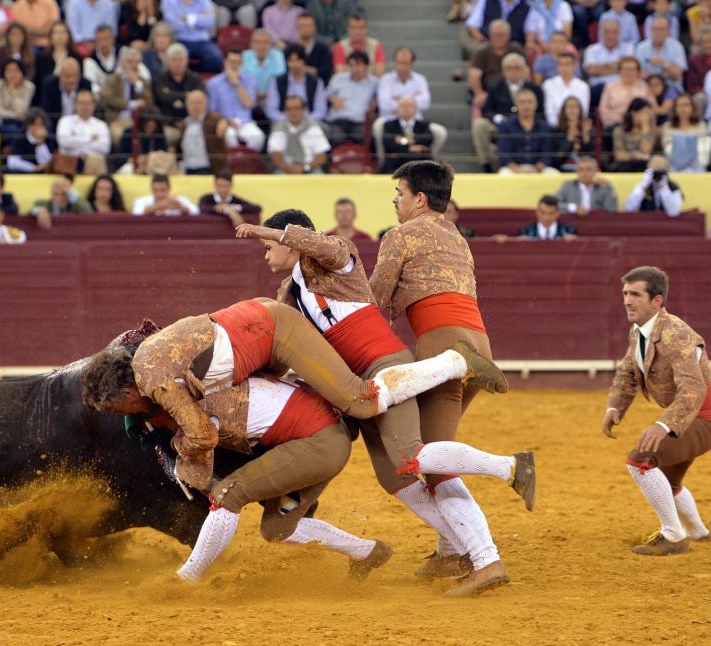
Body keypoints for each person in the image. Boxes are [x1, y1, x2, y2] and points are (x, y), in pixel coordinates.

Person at [236, 209, 533, 576]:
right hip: (351, 389)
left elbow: (324, 245)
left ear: (291, 241)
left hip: (384, 368)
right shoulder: (288, 295)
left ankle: (511, 467)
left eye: (269, 245)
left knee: (410, 455)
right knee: (396, 478)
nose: (266, 254)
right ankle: (460, 549)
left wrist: (269, 230)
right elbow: (281, 351)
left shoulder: (335, 260)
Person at [81, 295, 503, 497]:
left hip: (272, 331)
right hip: (257, 334)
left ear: (125, 390)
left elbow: (202, 436)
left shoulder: (155, 383)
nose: (126, 414)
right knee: (329, 400)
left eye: (119, 407)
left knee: (358, 399)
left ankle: (456, 363)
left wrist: (180, 451)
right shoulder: (148, 363)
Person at [84, 359, 394, 584]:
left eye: (113, 408)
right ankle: (367, 551)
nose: (117, 416)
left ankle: (186, 579)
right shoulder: (170, 380)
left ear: (128, 394)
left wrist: (183, 459)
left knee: (227, 494)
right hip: (314, 438)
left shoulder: (182, 394)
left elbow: (203, 446)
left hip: (314, 442)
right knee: (277, 529)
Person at [369, 160, 513, 595]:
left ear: (420, 199)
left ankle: (484, 559)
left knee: (426, 457)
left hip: (442, 346)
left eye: (399, 192)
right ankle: (450, 551)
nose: (394, 199)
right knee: (438, 444)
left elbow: (377, 301)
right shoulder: (457, 237)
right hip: (478, 343)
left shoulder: (399, 236)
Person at [603, 265, 711, 555]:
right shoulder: (639, 331)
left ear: (656, 301)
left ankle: (673, 536)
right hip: (688, 418)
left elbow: (693, 390)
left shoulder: (678, 334)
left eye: (635, 294)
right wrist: (615, 406)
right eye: (624, 294)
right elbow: (627, 374)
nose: (627, 301)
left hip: (705, 420)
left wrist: (663, 425)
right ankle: (698, 531)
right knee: (669, 481)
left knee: (641, 461)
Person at [471, 52, 543, 172]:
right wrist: (498, 118)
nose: (513, 71)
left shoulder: (534, 89)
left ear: (524, 70)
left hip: (527, 125)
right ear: (503, 70)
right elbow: (487, 110)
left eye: (517, 68)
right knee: (479, 125)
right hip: (500, 124)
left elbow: (541, 111)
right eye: (509, 68)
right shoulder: (495, 86)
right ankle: (486, 164)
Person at [206, 47, 264, 150]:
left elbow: (248, 104)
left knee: (258, 137)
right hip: (225, 122)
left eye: (237, 62)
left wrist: (237, 83)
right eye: (231, 62)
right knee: (229, 136)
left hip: (245, 122)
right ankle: (234, 164)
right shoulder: (214, 83)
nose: (234, 66)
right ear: (225, 62)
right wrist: (226, 120)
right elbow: (212, 110)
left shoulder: (249, 80)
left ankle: (247, 162)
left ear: (241, 64)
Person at [152, 43, 205, 146]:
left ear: (186, 61)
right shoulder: (160, 78)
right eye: (174, 60)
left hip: (193, 123)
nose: (177, 63)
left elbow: (200, 96)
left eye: (180, 60)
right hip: (169, 124)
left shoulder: (195, 78)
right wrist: (187, 95)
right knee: (166, 135)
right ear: (167, 61)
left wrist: (173, 96)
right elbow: (163, 97)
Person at [100, 47, 155, 146]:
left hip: (138, 121)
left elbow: (149, 102)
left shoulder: (143, 81)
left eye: (136, 62)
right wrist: (131, 104)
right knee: (121, 137)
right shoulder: (112, 79)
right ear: (122, 63)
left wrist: (137, 84)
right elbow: (108, 99)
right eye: (130, 62)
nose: (133, 65)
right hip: (117, 120)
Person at [467, 19, 526, 110]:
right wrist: (479, 93)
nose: (498, 38)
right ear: (490, 35)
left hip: (514, 89)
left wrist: (525, 90)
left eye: (501, 35)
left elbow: (526, 71)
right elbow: (474, 74)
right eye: (495, 35)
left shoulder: (516, 49)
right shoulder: (482, 52)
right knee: (479, 101)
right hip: (489, 92)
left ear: (508, 35)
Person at [496, 88, 556, 174]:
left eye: (529, 102)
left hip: (538, 168)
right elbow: (504, 154)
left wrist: (537, 169)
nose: (526, 106)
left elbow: (547, 153)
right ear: (516, 105)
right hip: (514, 168)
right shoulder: (506, 126)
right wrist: (517, 170)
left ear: (536, 105)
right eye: (522, 102)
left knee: (553, 174)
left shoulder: (544, 126)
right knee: (504, 174)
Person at [267, 94, 330, 174]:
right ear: (285, 111)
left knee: (318, 177)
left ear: (304, 109)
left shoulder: (314, 128)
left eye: (297, 108)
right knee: (277, 177)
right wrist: (290, 168)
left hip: (310, 168)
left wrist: (305, 167)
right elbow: (276, 157)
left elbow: (322, 157)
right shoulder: (278, 129)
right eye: (289, 109)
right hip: (286, 169)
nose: (293, 112)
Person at [323, 50, 375, 146]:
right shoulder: (338, 78)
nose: (354, 69)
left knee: (368, 137)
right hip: (337, 121)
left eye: (358, 65)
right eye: (351, 65)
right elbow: (324, 95)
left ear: (366, 66)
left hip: (359, 123)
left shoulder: (374, 83)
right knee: (334, 137)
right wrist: (332, 99)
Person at [55, 88, 112, 175]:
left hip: (93, 162)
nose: (85, 107)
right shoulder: (65, 121)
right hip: (69, 162)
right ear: (75, 105)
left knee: (94, 159)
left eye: (88, 103)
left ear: (94, 105)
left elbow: (105, 148)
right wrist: (90, 139)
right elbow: (64, 143)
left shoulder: (101, 125)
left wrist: (76, 140)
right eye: (81, 103)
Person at [266, 43, 326, 123]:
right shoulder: (277, 81)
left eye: (298, 60)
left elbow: (321, 111)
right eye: (291, 60)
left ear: (304, 61)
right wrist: (289, 121)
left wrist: (303, 121)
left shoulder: (316, 82)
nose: (294, 64)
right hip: (283, 123)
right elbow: (271, 110)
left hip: (309, 123)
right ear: (286, 62)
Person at [161, 0, 222, 73]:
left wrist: (187, 18)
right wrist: (199, 20)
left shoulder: (204, 1)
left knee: (216, 58)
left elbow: (209, 21)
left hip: (202, 41)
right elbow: (173, 25)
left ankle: (196, 76)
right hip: (179, 39)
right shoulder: (169, 2)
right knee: (176, 60)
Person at [176, 88, 228, 174]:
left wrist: (225, 121)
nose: (195, 106)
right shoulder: (183, 124)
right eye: (192, 103)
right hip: (188, 168)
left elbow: (224, 120)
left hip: (209, 169)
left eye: (199, 102)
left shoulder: (213, 120)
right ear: (187, 106)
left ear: (206, 104)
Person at [583, 19, 634, 106]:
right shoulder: (592, 49)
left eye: (614, 32)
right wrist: (619, 67)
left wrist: (602, 67)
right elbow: (592, 70)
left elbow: (629, 70)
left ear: (619, 33)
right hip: (599, 89)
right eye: (607, 32)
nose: (611, 36)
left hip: (622, 87)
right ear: (601, 33)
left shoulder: (629, 48)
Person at [380, 95, 434, 174]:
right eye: (402, 106)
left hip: (420, 161)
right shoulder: (389, 125)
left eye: (409, 105)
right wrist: (410, 148)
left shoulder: (423, 124)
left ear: (415, 108)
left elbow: (428, 139)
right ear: (397, 109)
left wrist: (402, 140)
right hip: (396, 162)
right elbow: (388, 144)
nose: (406, 109)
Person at [635, 16, 686, 93]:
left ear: (668, 31)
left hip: (670, 86)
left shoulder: (677, 46)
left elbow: (678, 75)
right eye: (655, 29)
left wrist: (664, 63)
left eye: (662, 29)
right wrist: (646, 76)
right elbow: (636, 74)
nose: (658, 32)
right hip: (647, 87)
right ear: (651, 30)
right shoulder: (641, 48)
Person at [662, 93, 710, 173]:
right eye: (679, 105)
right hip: (673, 166)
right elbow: (668, 149)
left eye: (686, 105)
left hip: (696, 167)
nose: (683, 109)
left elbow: (704, 151)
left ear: (692, 107)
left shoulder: (701, 126)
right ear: (675, 108)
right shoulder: (668, 127)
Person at [36, 58, 91, 126]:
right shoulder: (49, 85)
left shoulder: (85, 84)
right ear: (60, 75)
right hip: (55, 125)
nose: (71, 80)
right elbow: (46, 111)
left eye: (74, 76)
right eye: (67, 76)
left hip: (80, 125)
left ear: (79, 75)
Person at [554, 155, 618, 213]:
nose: (585, 173)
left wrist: (609, 187)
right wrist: (574, 208)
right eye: (581, 169)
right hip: (573, 222)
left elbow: (612, 209)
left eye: (589, 169)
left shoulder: (603, 187)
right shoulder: (568, 186)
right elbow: (554, 204)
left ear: (595, 171)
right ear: (577, 172)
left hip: (597, 223)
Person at [240, 28, 285, 108]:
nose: (261, 46)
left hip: (271, 97)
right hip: (248, 97)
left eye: (265, 42)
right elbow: (241, 80)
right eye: (257, 42)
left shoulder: (278, 56)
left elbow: (280, 79)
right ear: (251, 44)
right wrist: (254, 93)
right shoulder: (244, 56)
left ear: (271, 44)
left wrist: (267, 93)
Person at [542, 52, 589, 126]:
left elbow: (584, 111)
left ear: (574, 66)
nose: (564, 68)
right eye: (561, 64)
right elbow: (549, 111)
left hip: (577, 127)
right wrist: (558, 128)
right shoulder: (548, 85)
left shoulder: (583, 86)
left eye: (567, 64)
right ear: (557, 67)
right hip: (555, 128)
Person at [501, 194, 578, 239]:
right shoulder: (526, 231)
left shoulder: (569, 230)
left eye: (550, 213)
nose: (546, 217)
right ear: (537, 212)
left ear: (558, 213)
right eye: (543, 212)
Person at [331, 11, 384, 76]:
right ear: (348, 29)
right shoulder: (340, 46)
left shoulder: (376, 45)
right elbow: (340, 73)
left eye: (361, 27)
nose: (358, 31)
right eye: (354, 28)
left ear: (366, 28)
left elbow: (380, 73)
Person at [611, 97, 657, 172]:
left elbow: (646, 151)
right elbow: (619, 155)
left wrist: (645, 130)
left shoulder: (650, 130)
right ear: (633, 113)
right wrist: (636, 155)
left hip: (643, 165)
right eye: (643, 113)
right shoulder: (619, 131)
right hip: (625, 166)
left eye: (648, 114)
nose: (646, 117)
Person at [0, 59, 35, 135]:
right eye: (9, 71)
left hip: (20, 123)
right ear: (4, 73)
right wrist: (15, 115)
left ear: (22, 72)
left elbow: (22, 109)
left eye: (16, 70)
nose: (13, 74)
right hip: (0, 122)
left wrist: (13, 92)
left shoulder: (29, 87)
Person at [465, 0, 529, 51]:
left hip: (515, 44)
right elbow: (473, 25)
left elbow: (530, 30)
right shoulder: (487, 1)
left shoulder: (526, 5)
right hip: (488, 42)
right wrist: (482, 40)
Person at [551, 95, 594, 171]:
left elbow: (591, 157)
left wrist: (585, 137)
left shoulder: (588, 130)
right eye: (569, 106)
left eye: (575, 106)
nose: (572, 109)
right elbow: (557, 159)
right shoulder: (556, 131)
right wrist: (570, 139)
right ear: (564, 110)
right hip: (562, 170)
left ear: (580, 110)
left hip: (584, 170)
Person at [6, 108, 56, 173]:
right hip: (24, 173)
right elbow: (12, 162)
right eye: (34, 124)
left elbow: (47, 163)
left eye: (41, 124)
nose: (37, 127)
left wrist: (40, 144)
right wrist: (33, 168)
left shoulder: (48, 137)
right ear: (27, 125)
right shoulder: (20, 137)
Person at [131, 173, 200, 215]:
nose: (159, 194)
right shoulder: (141, 201)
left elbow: (196, 212)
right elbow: (136, 214)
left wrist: (180, 207)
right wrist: (160, 205)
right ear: (151, 189)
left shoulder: (179, 200)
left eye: (162, 190)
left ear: (169, 188)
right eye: (155, 190)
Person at [295, 12, 332, 85]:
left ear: (315, 28)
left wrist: (303, 69)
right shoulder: (291, 49)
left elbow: (326, 71)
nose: (306, 29)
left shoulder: (323, 49)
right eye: (303, 26)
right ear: (297, 28)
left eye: (309, 26)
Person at [81, 24, 121, 89]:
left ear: (113, 39)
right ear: (95, 41)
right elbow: (90, 84)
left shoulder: (123, 54)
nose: (104, 43)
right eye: (100, 40)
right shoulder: (90, 61)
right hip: (101, 96)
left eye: (106, 39)